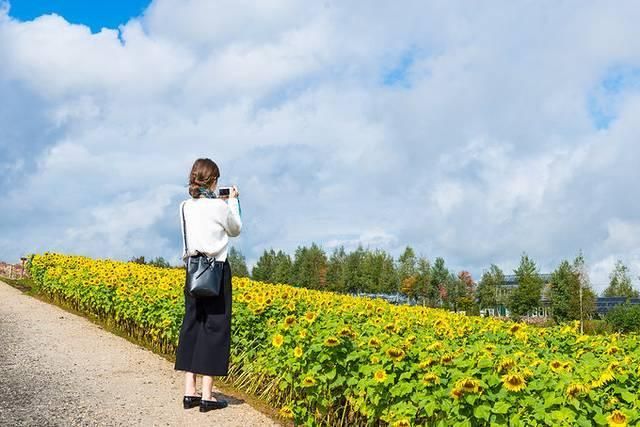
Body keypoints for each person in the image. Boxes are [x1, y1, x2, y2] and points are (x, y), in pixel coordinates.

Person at [174, 158, 242, 412]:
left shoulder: (184, 206)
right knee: (215, 327)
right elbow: (235, 229)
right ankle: (207, 395)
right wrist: (232, 201)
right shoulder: (219, 207)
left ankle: (188, 392)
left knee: (191, 324)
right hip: (216, 271)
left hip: (192, 270)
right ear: (213, 180)